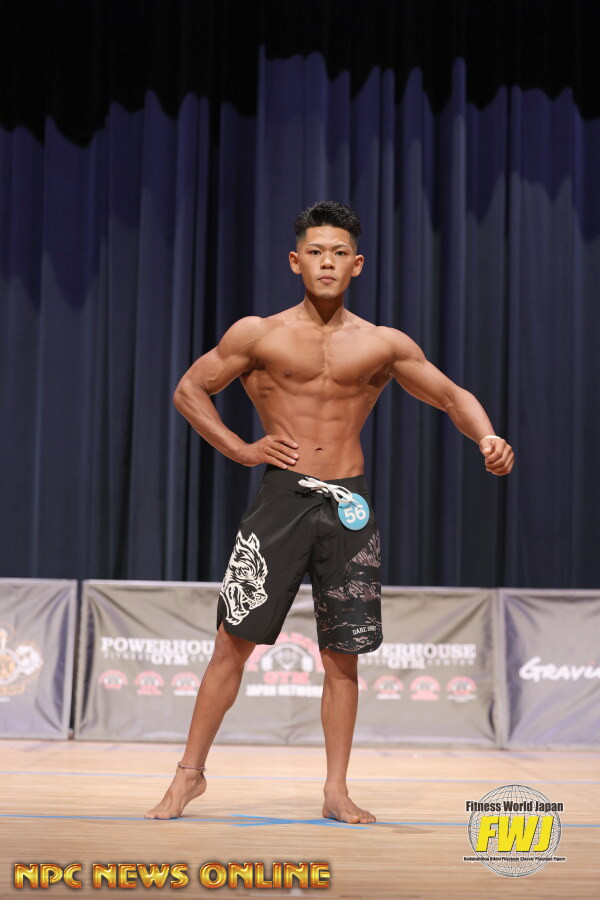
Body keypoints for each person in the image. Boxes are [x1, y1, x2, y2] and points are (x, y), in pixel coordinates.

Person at [145, 200, 514, 823]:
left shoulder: (382, 344)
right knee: (232, 644)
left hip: (349, 506)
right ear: (295, 261)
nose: (326, 262)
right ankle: (189, 776)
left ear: (357, 264)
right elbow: (189, 389)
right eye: (315, 252)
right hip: (282, 500)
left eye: (339, 253)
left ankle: (336, 790)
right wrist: (240, 449)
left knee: (343, 655)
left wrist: (487, 437)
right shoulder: (258, 334)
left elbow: (452, 396)